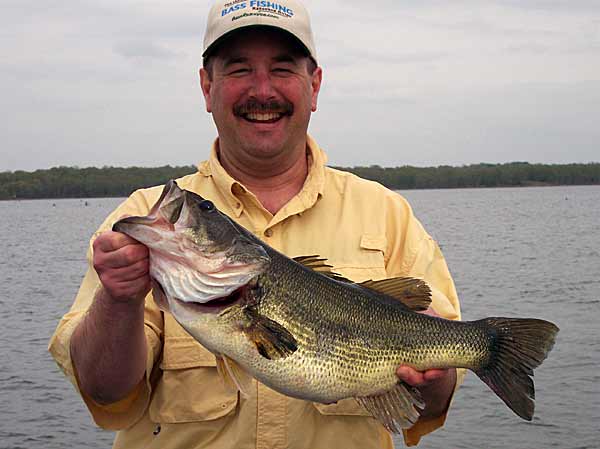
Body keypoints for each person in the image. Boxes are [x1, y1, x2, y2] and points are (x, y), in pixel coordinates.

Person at [49, 1, 463, 447]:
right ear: (207, 87)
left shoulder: (388, 214)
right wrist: (118, 301)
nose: (262, 90)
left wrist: (435, 373)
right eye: (239, 69)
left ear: (314, 86)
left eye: (282, 69)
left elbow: (434, 402)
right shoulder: (141, 219)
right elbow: (104, 389)